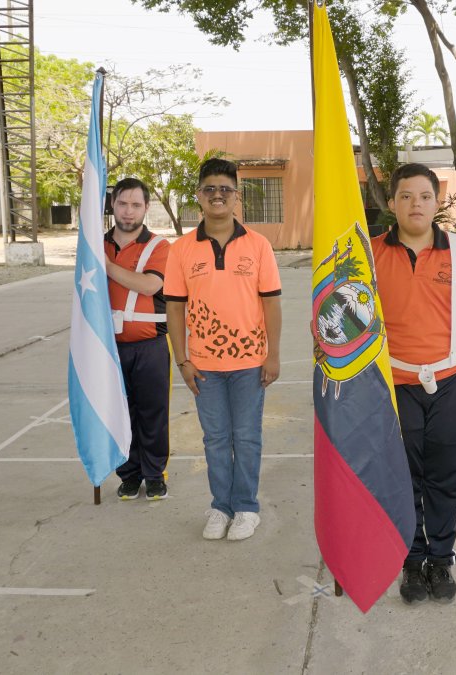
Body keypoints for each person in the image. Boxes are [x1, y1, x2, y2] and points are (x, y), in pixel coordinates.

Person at [371, 163, 456, 605]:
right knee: (403, 477)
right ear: (392, 203)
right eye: (406, 196)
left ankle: (440, 559)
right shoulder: (370, 253)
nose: (415, 204)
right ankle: (410, 559)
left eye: (424, 196)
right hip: (393, 384)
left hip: (452, 383)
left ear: (436, 202)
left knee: (446, 475)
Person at [163, 158, 283, 541]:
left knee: (246, 436)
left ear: (237, 196)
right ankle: (220, 507)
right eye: (210, 189)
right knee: (215, 438)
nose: (218, 195)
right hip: (203, 366)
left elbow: (271, 303)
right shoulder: (181, 250)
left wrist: (273, 355)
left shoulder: (258, 246)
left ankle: (246, 508)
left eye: (225, 189)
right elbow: (174, 308)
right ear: (199, 196)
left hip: (250, 363)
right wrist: (182, 360)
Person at [105, 177, 172, 502]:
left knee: (153, 412)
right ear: (112, 205)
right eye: (122, 203)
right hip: (108, 347)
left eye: (135, 205)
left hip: (150, 346)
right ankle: (129, 475)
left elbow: (150, 285)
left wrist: (106, 266)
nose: (128, 211)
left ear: (146, 208)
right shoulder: (97, 243)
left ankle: (155, 474)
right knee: (119, 414)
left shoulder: (159, 247)